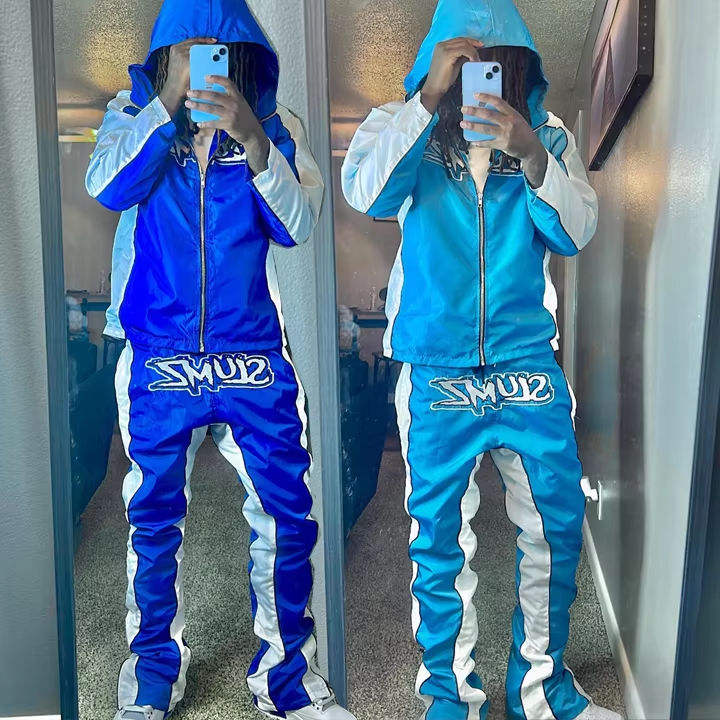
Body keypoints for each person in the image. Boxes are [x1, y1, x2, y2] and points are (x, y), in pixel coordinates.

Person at [342, 1, 622, 719]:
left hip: (525, 361)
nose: (480, 73)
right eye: (463, 59)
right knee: (436, 540)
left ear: (519, 64)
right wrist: (427, 98)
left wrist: (530, 154)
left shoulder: (548, 135)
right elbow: (366, 193)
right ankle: (449, 696)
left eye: (496, 61)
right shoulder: (399, 123)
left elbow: (575, 231)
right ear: (438, 56)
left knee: (556, 527)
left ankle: (542, 689)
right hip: (434, 367)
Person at [85, 2, 354, 719]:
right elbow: (107, 186)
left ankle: (287, 679)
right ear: (165, 52)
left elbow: (297, 225)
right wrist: (167, 103)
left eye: (218, 46)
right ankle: (152, 674)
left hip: (253, 353)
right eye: (188, 46)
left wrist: (253, 138)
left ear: (241, 52)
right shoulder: (131, 113)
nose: (205, 56)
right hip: (159, 353)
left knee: (287, 514)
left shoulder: (275, 124)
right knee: (151, 518)